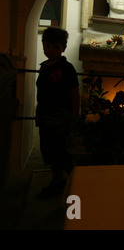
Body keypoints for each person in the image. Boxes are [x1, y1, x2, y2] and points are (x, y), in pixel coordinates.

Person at [36, 27, 80, 197]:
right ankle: (57, 181)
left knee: (60, 150)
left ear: (63, 48)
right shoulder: (44, 66)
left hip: (60, 117)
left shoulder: (67, 68)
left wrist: (74, 116)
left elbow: (74, 92)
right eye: (47, 46)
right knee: (49, 150)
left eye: (55, 47)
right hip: (45, 114)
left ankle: (77, 180)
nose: (51, 50)